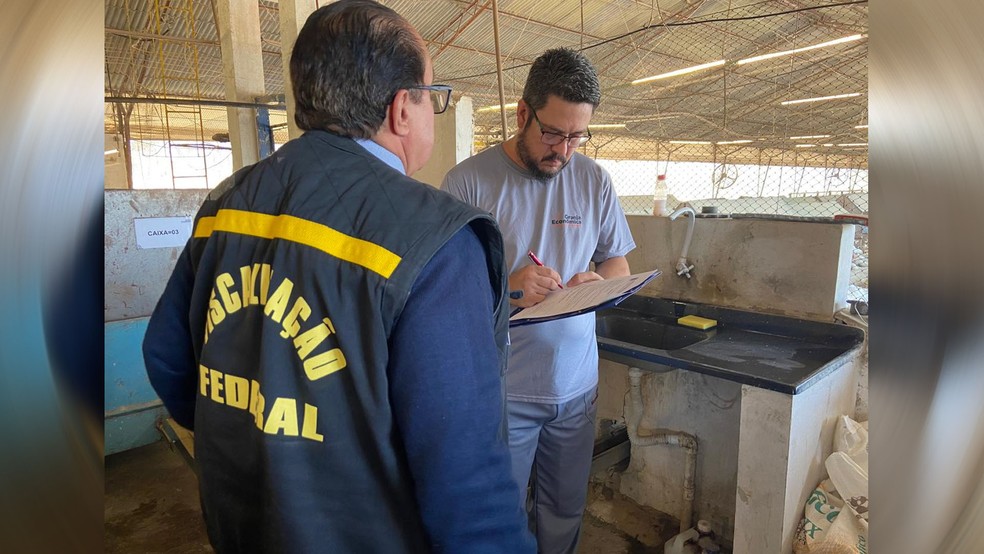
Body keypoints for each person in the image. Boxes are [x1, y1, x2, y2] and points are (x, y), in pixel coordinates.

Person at [142, 2, 535, 552]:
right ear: (403, 108)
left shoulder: (226, 206)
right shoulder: (434, 239)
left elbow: (166, 357)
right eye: (432, 96)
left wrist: (250, 437)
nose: (431, 112)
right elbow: (466, 477)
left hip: (242, 526)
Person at [442, 48, 636, 553]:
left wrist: (595, 282)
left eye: (576, 136)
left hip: (576, 387)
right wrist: (509, 286)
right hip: (505, 391)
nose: (564, 151)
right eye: (553, 133)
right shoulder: (468, 183)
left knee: (564, 510)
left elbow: (619, 265)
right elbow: (444, 295)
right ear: (523, 113)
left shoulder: (594, 180)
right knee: (501, 517)